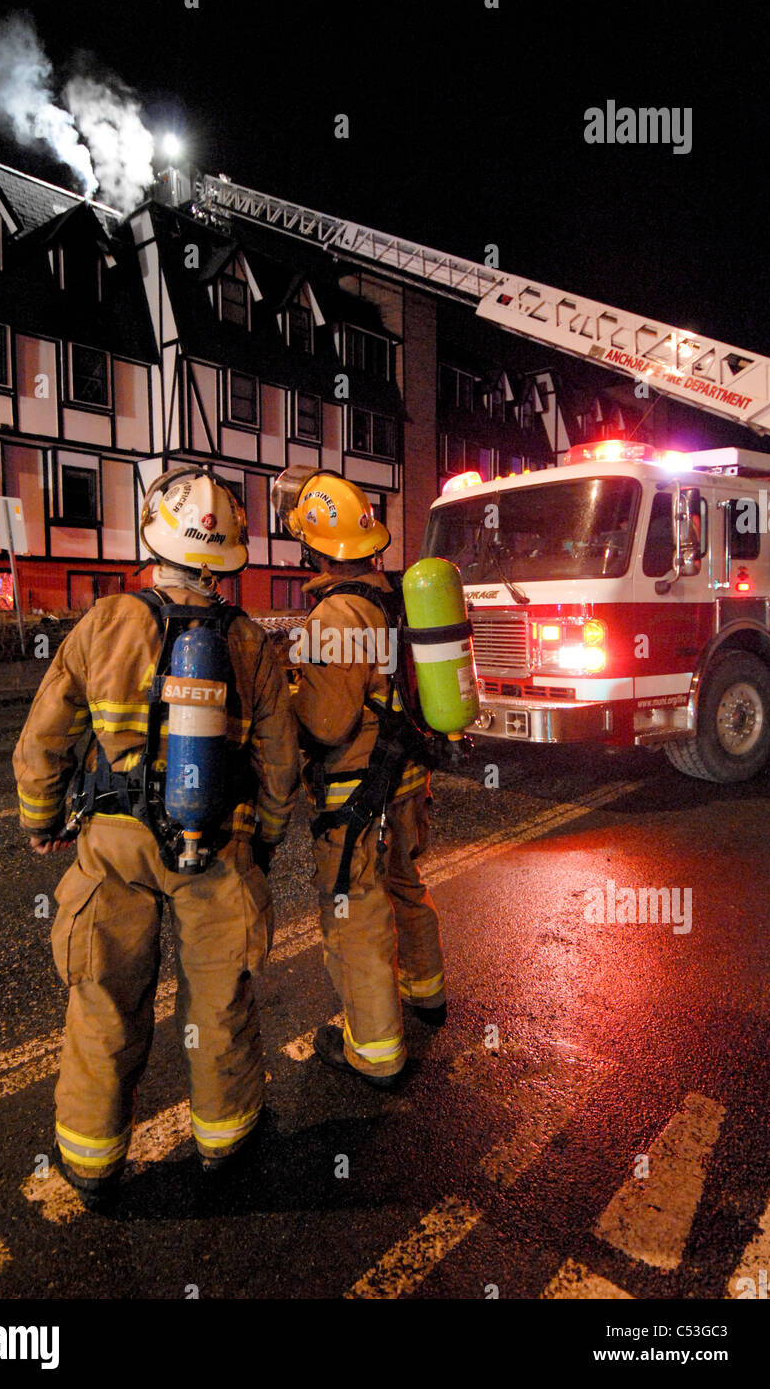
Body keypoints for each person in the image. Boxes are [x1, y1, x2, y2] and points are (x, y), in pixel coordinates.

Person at [13, 468, 300, 1210]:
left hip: (113, 847)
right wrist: (262, 838)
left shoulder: (105, 623)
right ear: (226, 556)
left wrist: (42, 819)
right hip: (218, 847)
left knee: (104, 1000)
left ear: (155, 542)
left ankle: (90, 1160)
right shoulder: (249, 643)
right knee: (220, 1001)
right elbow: (280, 762)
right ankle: (227, 1141)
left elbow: (45, 740)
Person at [272, 466, 446, 1091]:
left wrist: (284, 691)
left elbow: (323, 722)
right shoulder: (395, 597)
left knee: (355, 912)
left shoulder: (335, 617)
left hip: (356, 792)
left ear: (315, 547)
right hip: (408, 776)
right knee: (406, 882)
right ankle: (426, 995)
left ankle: (375, 1051)